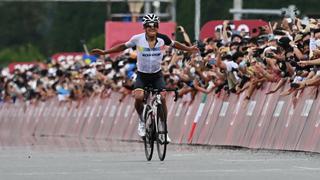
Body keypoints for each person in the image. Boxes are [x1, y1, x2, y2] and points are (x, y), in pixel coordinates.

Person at [91, 13, 198, 138]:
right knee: (138, 97)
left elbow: (176, 44)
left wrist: (189, 49)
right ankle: (142, 120)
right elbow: (122, 46)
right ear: (144, 27)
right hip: (142, 74)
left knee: (162, 98)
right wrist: (105, 52)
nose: (152, 28)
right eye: (149, 26)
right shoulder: (137, 39)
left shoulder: (163, 39)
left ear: (158, 27)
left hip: (157, 74)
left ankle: (163, 128)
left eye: (154, 26)